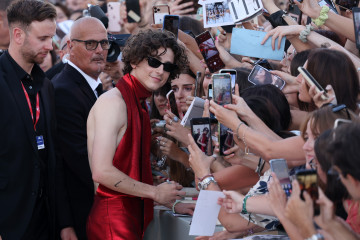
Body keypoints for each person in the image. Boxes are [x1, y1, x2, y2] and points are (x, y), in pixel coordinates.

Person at [86, 29, 189, 239]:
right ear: (134, 61)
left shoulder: (139, 104)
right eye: (154, 62)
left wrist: (168, 202)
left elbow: (133, 172)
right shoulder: (113, 103)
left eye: (167, 66)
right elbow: (101, 172)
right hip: (112, 223)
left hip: (129, 218)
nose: (160, 70)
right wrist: (155, 193)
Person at [0, 0, 76, 239]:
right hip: (8, 222)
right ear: (18, 35)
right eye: (42, 38)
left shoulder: (45, 85)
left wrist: (64, 223)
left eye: (51, 38)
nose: (50, 46)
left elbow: (54, 158)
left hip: (45, 221)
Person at [52, 16, 108, 240]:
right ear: (70, 47)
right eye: (90, 44)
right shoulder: (64, 90)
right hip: (81, 213)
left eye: (104, 43)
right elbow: (78, 160)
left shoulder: (92, 85)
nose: (100, 50)